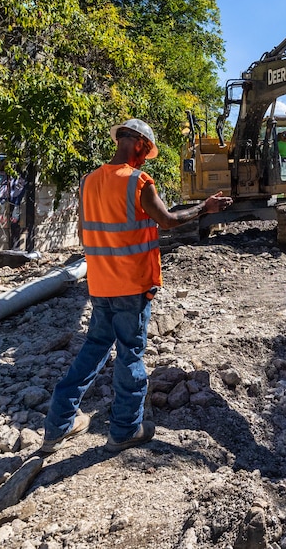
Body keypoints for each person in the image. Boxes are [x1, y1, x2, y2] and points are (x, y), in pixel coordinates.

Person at [41, 118, 233, 455]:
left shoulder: (89, 182)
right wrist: (206, 207)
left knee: (93, 350)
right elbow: (168, 221)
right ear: (140, 145)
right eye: (147, 151)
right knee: (130, 355)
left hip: (100, 284)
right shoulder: (138, 182)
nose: (146, 159)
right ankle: (125, 430)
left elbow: (88, 233)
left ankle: (58, 426)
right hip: (132, 286)